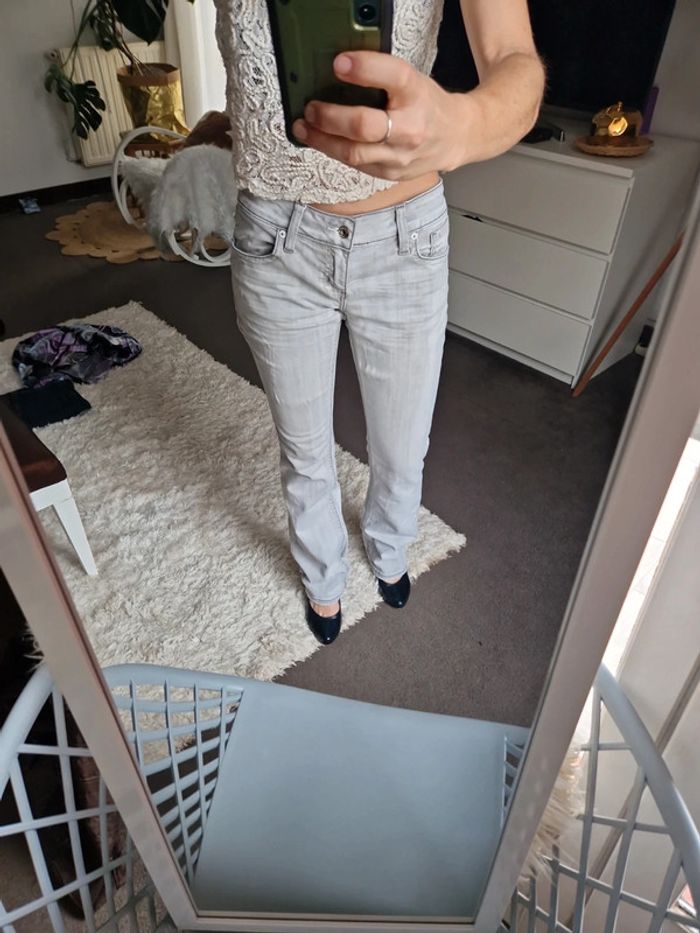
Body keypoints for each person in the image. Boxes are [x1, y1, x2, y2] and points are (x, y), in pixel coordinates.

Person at [213, 0, 545, 644]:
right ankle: (322, 574)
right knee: (303, 447)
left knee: (402, 442)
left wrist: (466, 125)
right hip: (276, 237)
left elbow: (514, 59)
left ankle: (390, 544)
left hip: (404, 236)